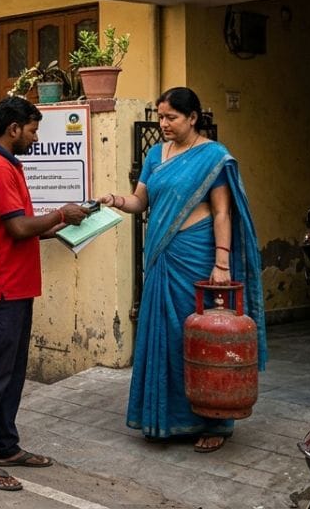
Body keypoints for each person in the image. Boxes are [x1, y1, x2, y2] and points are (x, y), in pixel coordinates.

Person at [99, 86, 265, 453]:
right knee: (163, 333)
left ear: (193, 118)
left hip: (197, 255)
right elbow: (141, 200)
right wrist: (114, 200)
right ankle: (164, 418)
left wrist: (222, 263)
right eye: (160, 117)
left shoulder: (212, 157)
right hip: (163, 257)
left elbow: (223, 211)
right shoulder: (156, 154)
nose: (164, 124)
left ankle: (214, 422)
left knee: (201, 336)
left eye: (171, 117)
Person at [0, 96, 87, 492]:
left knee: (11, 375)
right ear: (13, 129)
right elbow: (18, 229)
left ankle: (5, 446)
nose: (35, 137)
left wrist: (66, 225)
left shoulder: (7, 166)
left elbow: (20, 226)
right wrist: (61, 215)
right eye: (32, 130)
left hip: (13, 288)